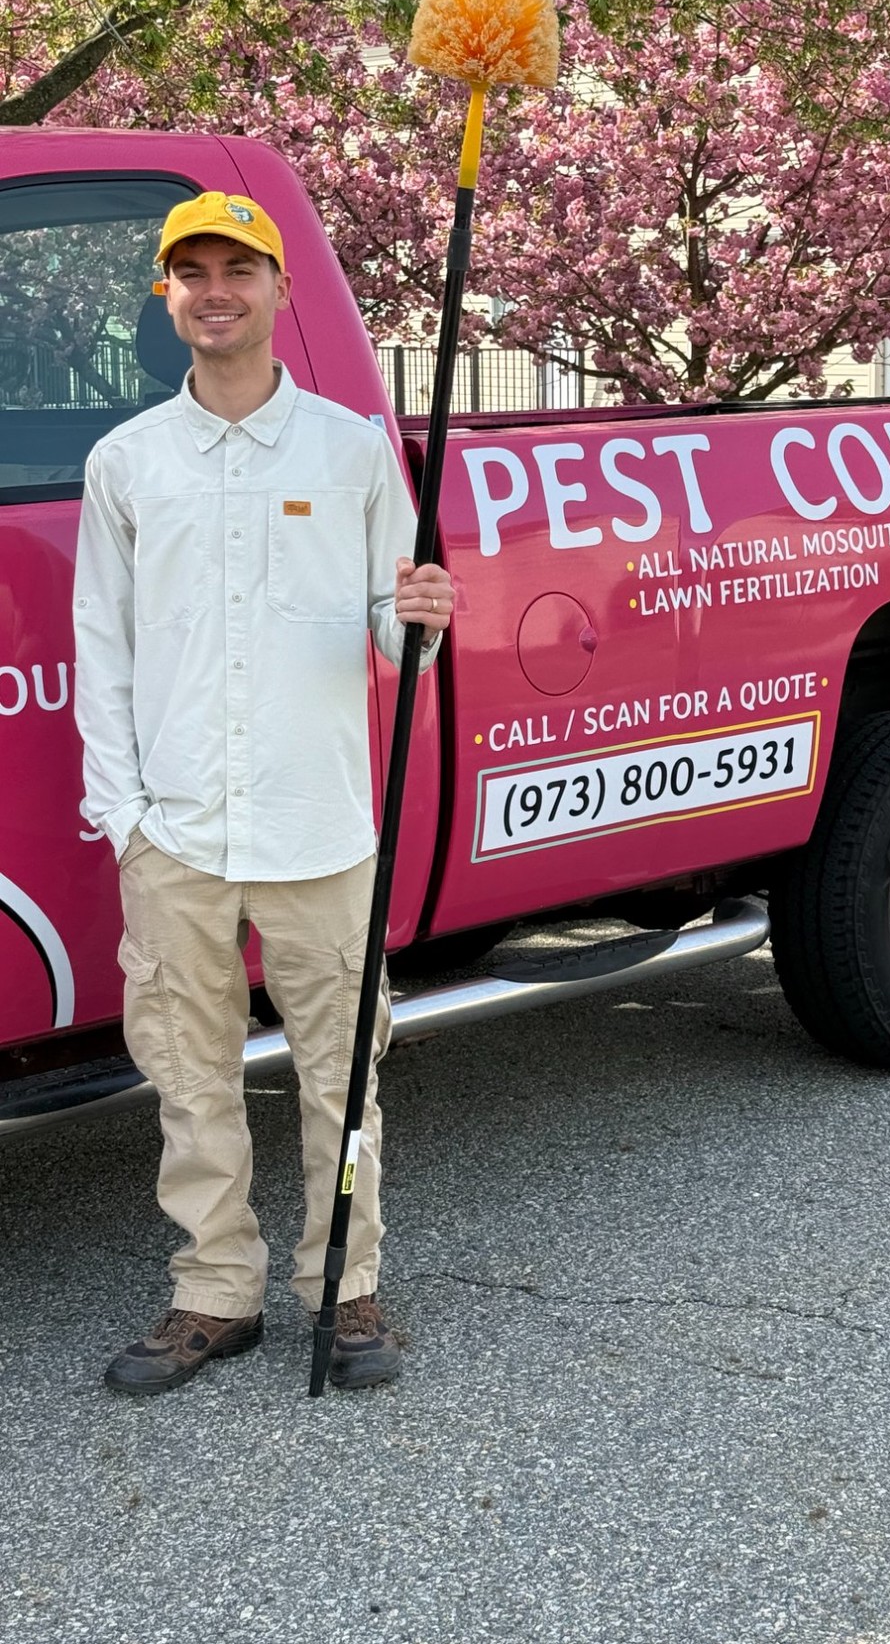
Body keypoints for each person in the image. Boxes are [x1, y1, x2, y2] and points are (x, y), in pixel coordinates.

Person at [72, 191, 453, 1395]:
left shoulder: (350, 451)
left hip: (319, 829)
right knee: (190, 1072)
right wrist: (125, 819)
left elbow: (402, 640)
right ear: (167, 297)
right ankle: (214, 1291)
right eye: (193, 272)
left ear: (282, 292)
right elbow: (104, 649)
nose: (216, 289)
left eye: (240, 267)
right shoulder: (125, 463)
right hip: (176, 832)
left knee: (344, 1079)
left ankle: (345, 1289)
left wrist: (426, 620)